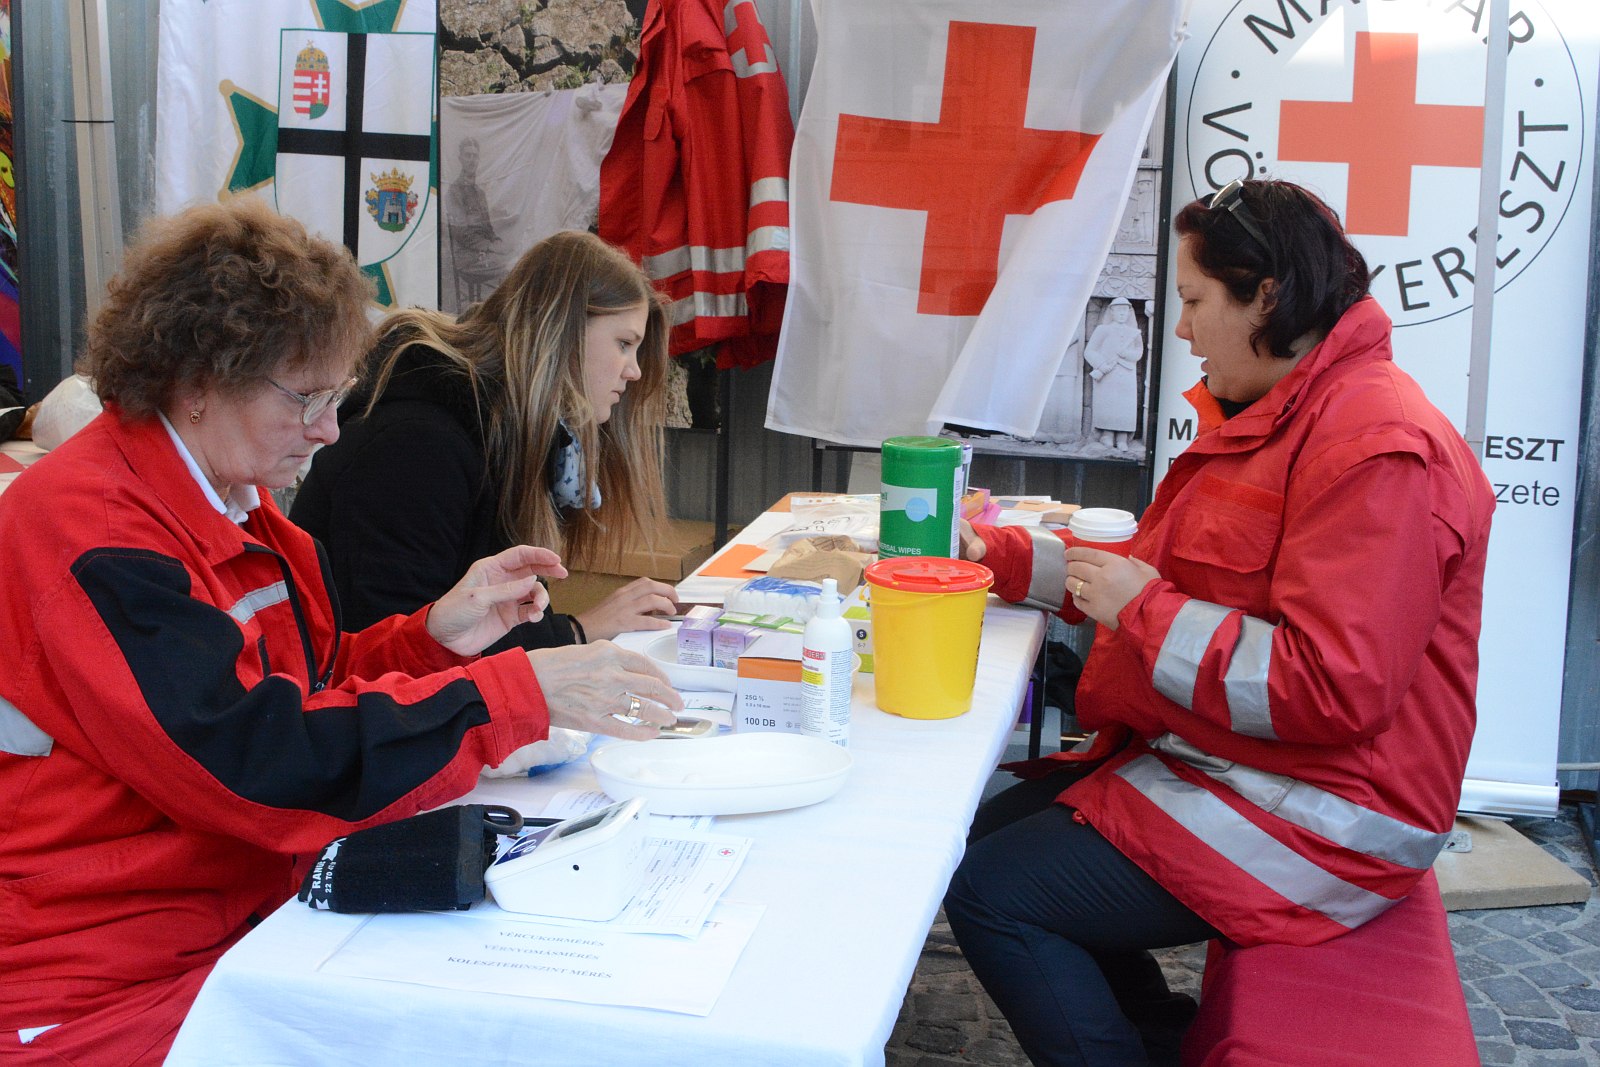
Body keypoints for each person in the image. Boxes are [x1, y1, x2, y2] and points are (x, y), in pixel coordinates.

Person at [0, 197, 682, 1066]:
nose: (328, 430)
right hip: (95, 989)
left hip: (231, 928)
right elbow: (254, 763)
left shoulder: (238, 511)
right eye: (305, 398)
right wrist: (510, 692)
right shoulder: (93, 535)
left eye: (334, 396)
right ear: (199, 379)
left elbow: (306, 685)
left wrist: (436, 635)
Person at [944, 178, 1494, 1067]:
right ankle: (1159, 1038)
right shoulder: (1290, 413)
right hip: (1251, 770)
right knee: (986, 834)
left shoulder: (1374, 443)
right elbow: (1161, 575)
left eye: (1197, 300)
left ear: (1264, 295)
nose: (1184, 328)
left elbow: (1330, 683)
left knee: (994, 893)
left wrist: (1145, 612)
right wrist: (1001, 558)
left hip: (1331, 815)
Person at [291, 229, 679, 654]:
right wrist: (576, 632)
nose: (634, 371)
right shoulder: (418, 444)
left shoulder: (511, 434)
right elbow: (394, 644)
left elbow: (499, 619)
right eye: (624, 344)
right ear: (560, 330)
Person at [1082, 295, 1142, 450]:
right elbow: (1090, 351)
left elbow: (1138, 352)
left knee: (1124, 405)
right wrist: (1101, 365)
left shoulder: (1134, 333)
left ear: (1129, 313)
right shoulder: (1103, 330)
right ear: (1112, 312)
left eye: (1125, 310)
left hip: (1127, 373)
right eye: (1118, 310)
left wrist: (1126, 354)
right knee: (1108, 403)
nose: (1122, 314)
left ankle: (1122, 438)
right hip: (1108, 374)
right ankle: (1106, 435)